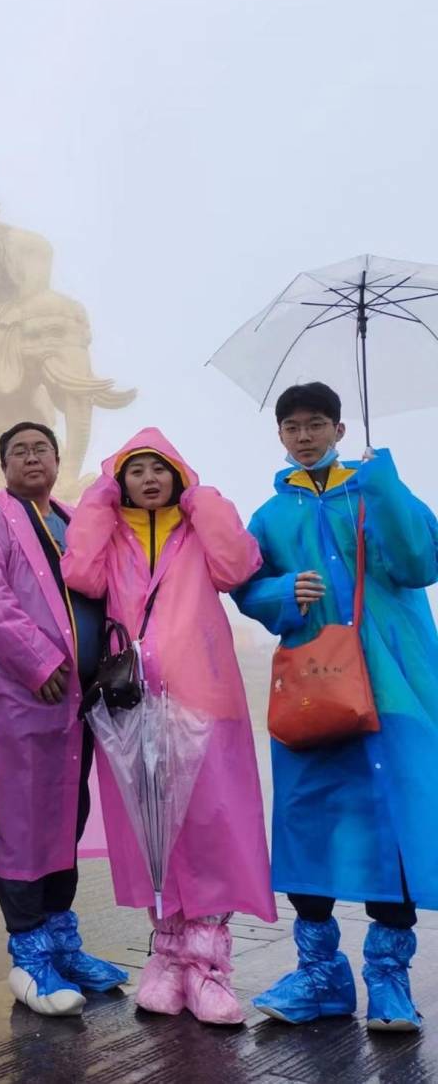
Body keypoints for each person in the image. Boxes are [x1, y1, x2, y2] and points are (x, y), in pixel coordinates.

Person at [234, 382, 438, 1033]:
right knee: (306, 819)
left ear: (340, 429)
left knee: (394, 821)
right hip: (312, 690)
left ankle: (389, 978)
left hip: (394, 682)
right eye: (291, 426)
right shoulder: (269, 514)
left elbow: (418, 560)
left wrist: (385, 481)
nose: (304, 435)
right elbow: (246, 584)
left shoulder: (376, 491)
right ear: (280, 436)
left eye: (316, 423)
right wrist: (281, 592)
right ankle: (320, 975)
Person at [60, 428, 275, 1025]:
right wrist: (99, 505)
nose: (148, 479)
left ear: (178, 474)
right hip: (133, 703)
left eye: (160, 468)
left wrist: (203, 500)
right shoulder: (113, 536)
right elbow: (81, 576)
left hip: (201, 697)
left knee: (208, 825)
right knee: (151, 826)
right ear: (119, 481)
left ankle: (206, 969)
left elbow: (236, 566)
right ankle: (167, 958)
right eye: (135, 471)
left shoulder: (196, 529)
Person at [0, 421, 128, 1017]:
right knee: (24, 825)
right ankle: (29, 954)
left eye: (41, 449)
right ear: (4, 465)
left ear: (58, 460)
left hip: (77, 705)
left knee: (66, 820)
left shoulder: (74, 519)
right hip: (25, 699)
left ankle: (61, 942)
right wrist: (38, 661)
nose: (31, 458)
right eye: (19, 451)